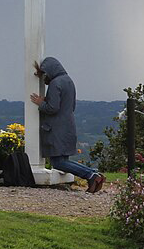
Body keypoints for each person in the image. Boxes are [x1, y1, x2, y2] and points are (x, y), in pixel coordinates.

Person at [30, 56, 106, 193]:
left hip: (57, 128)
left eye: (45, 74)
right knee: (63, 160)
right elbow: (70, 105)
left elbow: (53, 108)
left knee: (58, 162)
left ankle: (91, 175)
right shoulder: (68, 81)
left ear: (51, 71)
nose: (45, 79)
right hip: (68, 125)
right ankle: (94, 175)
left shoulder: (55, 84)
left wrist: (41, 103)